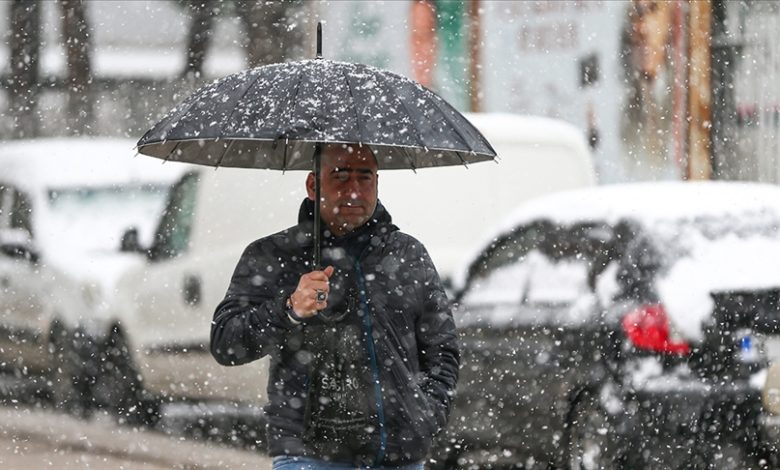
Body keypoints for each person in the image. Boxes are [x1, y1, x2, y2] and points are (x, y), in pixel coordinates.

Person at [210, 143, 459, 469]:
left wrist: (427, 413)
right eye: (340, 176)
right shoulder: (273, 255)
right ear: (314, 185)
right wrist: (289, 308)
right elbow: (226, 343)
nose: (354, 191)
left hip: (399, 457)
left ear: (378, 183)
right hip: (309, 456)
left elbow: (442, 350)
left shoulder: (407, 254)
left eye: (364, 177)